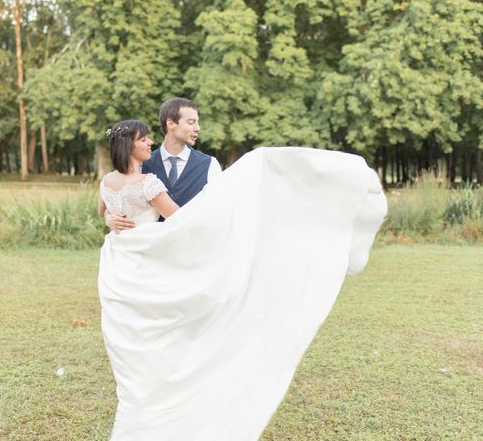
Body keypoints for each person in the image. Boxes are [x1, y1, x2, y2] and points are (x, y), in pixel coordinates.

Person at [97, 119, 388, 439]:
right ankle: (165, 397)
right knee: (167, 331)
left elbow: (103, 212)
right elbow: (181, 223)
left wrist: (112, 217)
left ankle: (142, 404)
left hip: (119, 262)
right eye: (143, 139)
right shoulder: (148, 183)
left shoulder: (107, 181)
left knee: (136, 342)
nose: (150, 142)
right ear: (130, 146)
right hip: (147, 258)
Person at [104, 97, 221, 232]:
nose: (197, 128)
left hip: (192, 247)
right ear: (171, 123)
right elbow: (116, 198)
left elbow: (216, 208)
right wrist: (109, 218)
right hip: (151, 248)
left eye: (197, 123)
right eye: (191, 122)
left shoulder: (210, 164)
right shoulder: (140, 163)